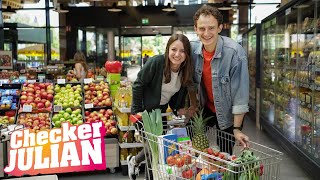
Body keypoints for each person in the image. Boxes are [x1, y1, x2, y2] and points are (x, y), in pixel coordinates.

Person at [127, 34, 197, 180]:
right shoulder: (156, 62)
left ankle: (134, 161)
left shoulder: (184, 70)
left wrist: (178, 109)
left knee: (157, 145)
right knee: (155, 150)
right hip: (145, 112)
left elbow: (177, 95)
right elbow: (138, 84)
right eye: (174, 49)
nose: (177, 54)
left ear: (187, 54)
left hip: (161, 112)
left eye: (182, 51)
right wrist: (136, 111)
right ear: (168, 49)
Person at [191, 5, 250, 153]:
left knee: (224, 154)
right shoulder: (191, 49)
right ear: (195, 29)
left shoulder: (235, 53)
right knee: (195, 150)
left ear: (220, 28)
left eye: (211, 28)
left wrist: (236, 129)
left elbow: (240, 95)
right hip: (204, 109)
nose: (206, 33)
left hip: (227, 112)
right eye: (202, 28)